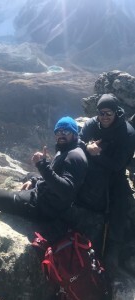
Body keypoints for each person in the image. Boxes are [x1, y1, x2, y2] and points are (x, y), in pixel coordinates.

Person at [0, 116, 88, 242]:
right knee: (29, 176)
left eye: (66, 131)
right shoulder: (71, 150)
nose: (60, 135)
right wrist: (35, 181)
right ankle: (28, 183)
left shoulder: (73, 156)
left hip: (40, 207)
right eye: (58, 132)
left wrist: (43, 166)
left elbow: (66, 190)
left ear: (74, 134)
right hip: (50, 201)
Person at [78, 93, 135, 263]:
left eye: (108, 113)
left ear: (116, 112)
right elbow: (78, 140)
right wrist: (87, 146)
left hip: (114, 174)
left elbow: (118, 165)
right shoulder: (92, 124)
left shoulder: (127, 133)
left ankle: (113, 251)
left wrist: (97, 154)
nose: (104, 117)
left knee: (120, 204)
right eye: (101, 113)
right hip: (93, 168)